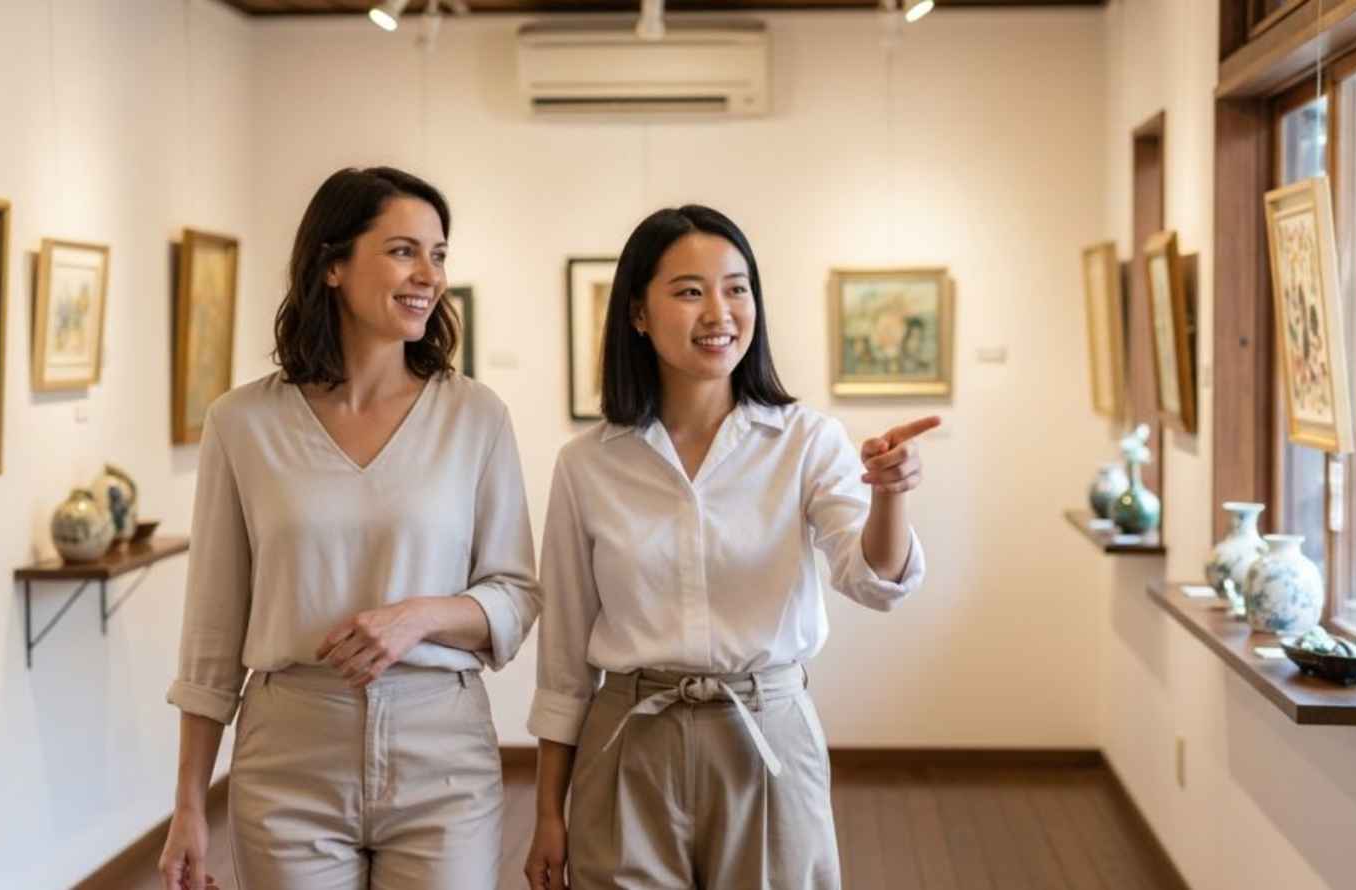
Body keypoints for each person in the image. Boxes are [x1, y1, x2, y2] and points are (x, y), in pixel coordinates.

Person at [525, 204, 933, 890]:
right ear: (637, 314)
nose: (719, 311)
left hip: (767, 736)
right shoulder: (588, 464)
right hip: (628, 741)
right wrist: (546, 812)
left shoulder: (806, 442)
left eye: (736, 288)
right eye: (689, 291)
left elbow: (874, 581)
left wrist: (890, 494)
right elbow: (564, 659)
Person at [159, 166, 540, 890]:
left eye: (439, 254)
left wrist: (419, 617)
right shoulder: (241, 423)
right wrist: (187, 805)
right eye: (403, 251)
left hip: (442, 751)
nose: (428, 274)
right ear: (332, 264)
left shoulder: (476, 416)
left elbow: (517, 595)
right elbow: (211, 631)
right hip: (288, 757)